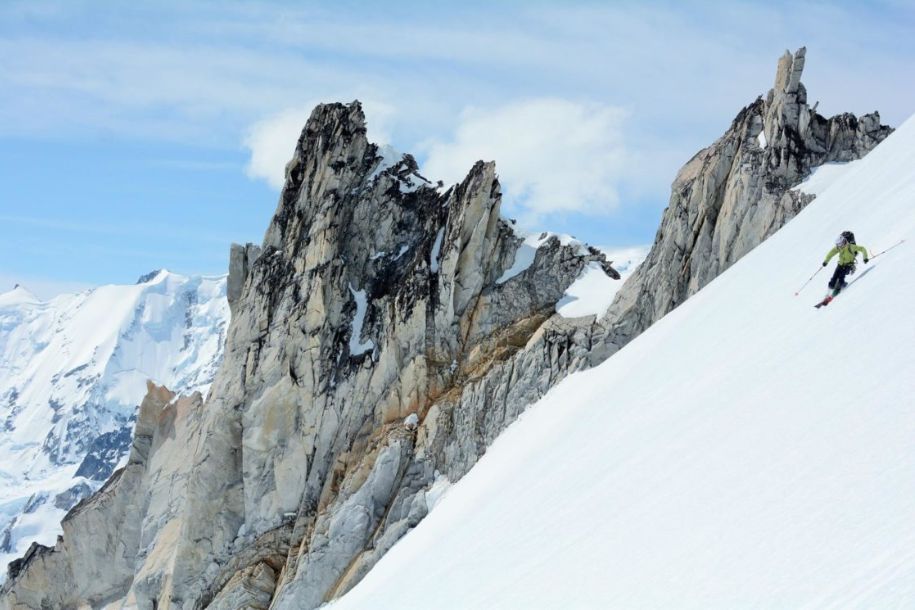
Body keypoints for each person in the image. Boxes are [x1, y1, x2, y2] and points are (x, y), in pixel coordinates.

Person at [822, 231, 869, 296]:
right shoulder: (839, 248)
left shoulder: (851, 247)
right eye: (838, 245)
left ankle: (837, 291)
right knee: (834, 278)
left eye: (840, 244)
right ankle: (829, 292)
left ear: (844, 242)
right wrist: (826, 261)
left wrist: (865, 258)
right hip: (840, 265)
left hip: (848, 265)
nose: (839, 246)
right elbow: (831, 253)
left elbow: (862, 249)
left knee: (841, 277)